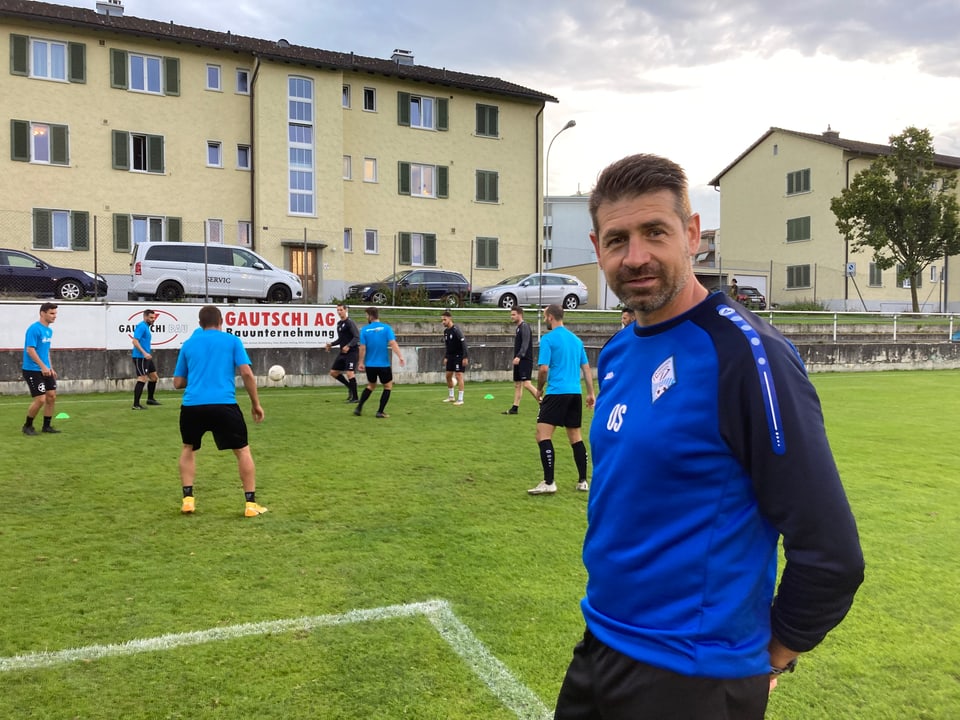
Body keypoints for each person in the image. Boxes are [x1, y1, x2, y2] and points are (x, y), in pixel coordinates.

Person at [553, 153, 864, 719]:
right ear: (597, 247)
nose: (636, 256)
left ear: (692, 234)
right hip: (599, 645)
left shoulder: (747, 356)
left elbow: (831, 553)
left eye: (655, 232)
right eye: (618, 239)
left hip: (694, 682)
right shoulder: (621, 350)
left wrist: (771, 659)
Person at [172, 305, 267, 517]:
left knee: (189, 448)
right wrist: (255, 404)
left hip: (192, 406)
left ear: (200, 324)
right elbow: (247, 373)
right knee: (242, 450)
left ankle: (188, 500)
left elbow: (177, 382)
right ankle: (250, 505)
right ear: (221, 322)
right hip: (224, 404)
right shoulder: (232, 341)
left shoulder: (188, 345)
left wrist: (198, 377)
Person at [528, 304, 595, 495]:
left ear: (550, 317)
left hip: (557, 392)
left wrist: (539, 389)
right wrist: (591, 393)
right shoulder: (576, 340)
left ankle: (549, 482)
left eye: (544, 316)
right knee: (576, 437)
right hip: (575, 393)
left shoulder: (548, 339)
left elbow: (543, 369)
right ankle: (583, 481)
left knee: (542, 435)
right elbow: (587, 369)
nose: (544, 319)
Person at [354, 306, 405, 418]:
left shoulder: (365, 330)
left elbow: (362, 348)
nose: (366, 317)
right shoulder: (386, 328)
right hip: (383, 364)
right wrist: (400, 356)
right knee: (387, 386)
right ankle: (380, 411)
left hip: (370, 365)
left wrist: (361, 362)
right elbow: (392, 343)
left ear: (370, 316)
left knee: (371, 385)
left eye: (367, 315)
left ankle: (359, 408)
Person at [21, 302, 61, 436]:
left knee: (51, 396)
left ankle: (47, 426)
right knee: (40, 399)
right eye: (52, 313)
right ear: (42, 313)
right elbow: (30, 350)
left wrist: (50, 367)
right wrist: (42, 366)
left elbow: (45, 351)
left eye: (55, 313)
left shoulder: (49, 330)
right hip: (32, 369)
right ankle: (27, 426)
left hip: (45, 369)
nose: (54, 316)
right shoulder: (34, 329)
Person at [503, 306, 537, 415]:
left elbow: (525, 343)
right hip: (518, 360)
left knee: (526, 384)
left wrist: (519, 356)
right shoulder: (518, 328)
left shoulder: (524, 326)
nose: (511, 317)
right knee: (517, 384)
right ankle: (514, 408)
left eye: (513, 314)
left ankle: (543, 403)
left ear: (520, 315)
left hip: (525, 360)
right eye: (511, 314)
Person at [326, 303, 360, 403]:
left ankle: (355, 398)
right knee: (333, 372)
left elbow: (357, 337)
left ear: (345, 310)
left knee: (350, 373)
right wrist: (331, 344)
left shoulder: (350, 323)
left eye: (341, 310)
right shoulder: (339, 324)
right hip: (343, 352)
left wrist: (349, 346)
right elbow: (341, 339)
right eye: (338, 310)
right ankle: (349, 387)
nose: (339, 312)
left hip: (352, 352)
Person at [131, 308, 161, 410]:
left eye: (154, 318)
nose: (153, 319)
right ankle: (136, 405)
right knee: (142, 378)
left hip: (146, 357)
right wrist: (144, 353)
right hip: (140, 357)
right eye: (151, 317)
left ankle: (150, 399)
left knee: (154, 377)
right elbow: (135, 341)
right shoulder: (142, 326)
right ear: (145, 317)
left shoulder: (146, 327)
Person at [441, 309, 469, 405]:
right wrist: (446, 356)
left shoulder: (456, 330)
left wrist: (465, 357)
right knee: (448, 376)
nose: (443, 322)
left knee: (458, 375)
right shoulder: (445, 332)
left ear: (450, 319)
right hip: (451, 356)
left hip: (459, 356)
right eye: (442, 320)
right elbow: (447, 345)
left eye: (444, 320)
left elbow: (464, 343)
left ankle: (460, 399)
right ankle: (451, 396)